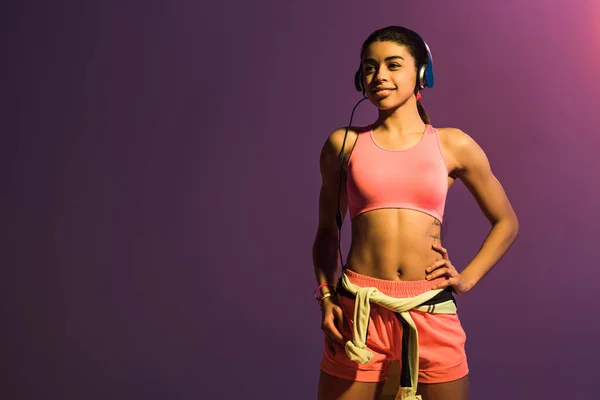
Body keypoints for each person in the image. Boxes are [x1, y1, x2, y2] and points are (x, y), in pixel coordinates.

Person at [312, 26, 519, 400]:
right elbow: (327, 231)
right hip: (359, 312)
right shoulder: (343, 144)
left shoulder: (453, 144)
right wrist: (326, 296)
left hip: (430, 311)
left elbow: (506, 222)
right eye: (370, 67)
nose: (380, 77)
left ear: (421, 73)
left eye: (393, 65)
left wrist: (466, 279)